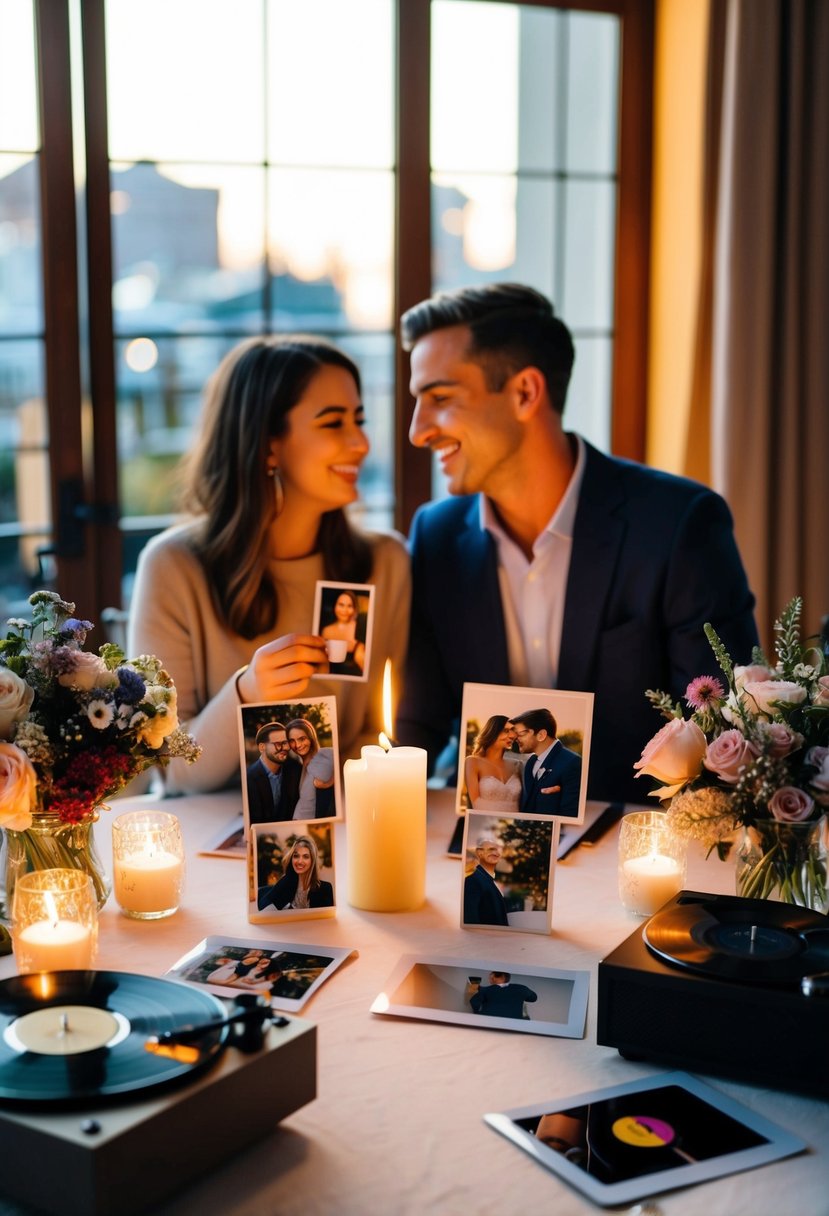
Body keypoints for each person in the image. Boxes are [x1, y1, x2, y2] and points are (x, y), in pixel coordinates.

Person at [395, 283, 758, 804]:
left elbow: (725, 731)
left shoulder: (679, 524)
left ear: (525, 392)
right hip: (485, 849)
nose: (417, 431)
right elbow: (417, 727)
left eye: (440, 398)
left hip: (636, 847)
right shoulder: (435, 535)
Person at [128, 337, 410, 794]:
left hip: (340, 826)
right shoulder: (172, 567)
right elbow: (171, 770)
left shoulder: (386, 562)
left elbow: (380, 733)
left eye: (358, 420)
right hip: (207, 838)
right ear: (268, 445)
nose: (361, 443)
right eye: (333, 423)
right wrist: (247, 691)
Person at [512, 707, 582, 818]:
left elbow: (570, 814)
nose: (516, 739)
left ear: (541, 735)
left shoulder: (573, 763)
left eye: (520, 735)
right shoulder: (531, 762)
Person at [257, 835, 334, 911]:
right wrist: (286, 907)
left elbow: (327, 919)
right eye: (296, 856)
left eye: (305, 857)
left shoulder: (325, 889)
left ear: (312, 861)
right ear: (291, 858)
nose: (299, 861)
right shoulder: (286, 881)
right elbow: (263, 903)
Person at [246, 721, 302, 823]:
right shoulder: (249, 778)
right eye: (278, 744)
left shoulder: (294, 770)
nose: (284, 748)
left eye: (285, 743)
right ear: (262, 747)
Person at [464, 715, 522, 812]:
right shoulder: (473, 762)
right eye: (506, 730)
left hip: (515, 826)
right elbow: (476, 804)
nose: (512, 736)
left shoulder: (517, 765)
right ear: (493, 731)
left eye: (513, 731)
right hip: (486, 825)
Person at [286, 717, 335, 819]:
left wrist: (331, 781)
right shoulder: (299, 764)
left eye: (302, 739)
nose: (298, 745)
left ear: (311, 737)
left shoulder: (326, 755)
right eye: (292, 741)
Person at [462, 836, 509, 926]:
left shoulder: (489, 880)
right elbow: (470, 920)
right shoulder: (473, 880)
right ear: (479, 853)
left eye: (497, 850)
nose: (495, 853)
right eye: (491, 849)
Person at [321, 588, 366, 675]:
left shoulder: (360, 626)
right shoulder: (326, 631)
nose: (345, 610)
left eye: (349, 606)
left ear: (354, 608)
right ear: (335, 606)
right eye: (341, 605)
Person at [469, 971, 538, 1019]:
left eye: (490, 976)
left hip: (489, 1022)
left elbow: (474, 1002)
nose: (490, 979)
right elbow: (534, 998)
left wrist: (477, 1014)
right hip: (513, 1024)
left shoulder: (486, 990)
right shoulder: (521, 988)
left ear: (493, 977)